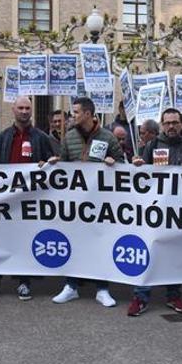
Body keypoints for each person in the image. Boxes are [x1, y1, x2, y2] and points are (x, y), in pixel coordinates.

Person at [47, 97, 124, 307]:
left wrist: (114, 162)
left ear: (88, 114)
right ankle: (70, 286)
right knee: (74, 241)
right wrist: (56, 163)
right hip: (76, 203)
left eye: (76, 112)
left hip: (101, 203)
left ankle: (102, 289)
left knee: (100, 243)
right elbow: (64, 166)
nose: (73, 116)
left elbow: (124, 164)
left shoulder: (107, 137)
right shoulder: (68, 137)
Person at [127, 108, 182, 316]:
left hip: (181, 210)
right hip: (155, 210)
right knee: (149, 250)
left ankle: (173, 295)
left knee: (175, 253)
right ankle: (141, 296)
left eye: (175, 122)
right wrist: (138, 165)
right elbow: (142, 176)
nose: (171, 126)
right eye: (167, 122)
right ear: (162, 125)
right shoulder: (152, 145)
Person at [0, 96, 55, 301]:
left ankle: (24, 281)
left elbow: (52, 163)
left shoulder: (41, 137)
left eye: (27, 108)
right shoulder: (3, 137)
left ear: (31, 111)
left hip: (30, 200)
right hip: (5, 200)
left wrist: (47, 163)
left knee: (25, 240)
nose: (24, 111)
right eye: (20, 108)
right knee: (0, 240)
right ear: (13, 110)